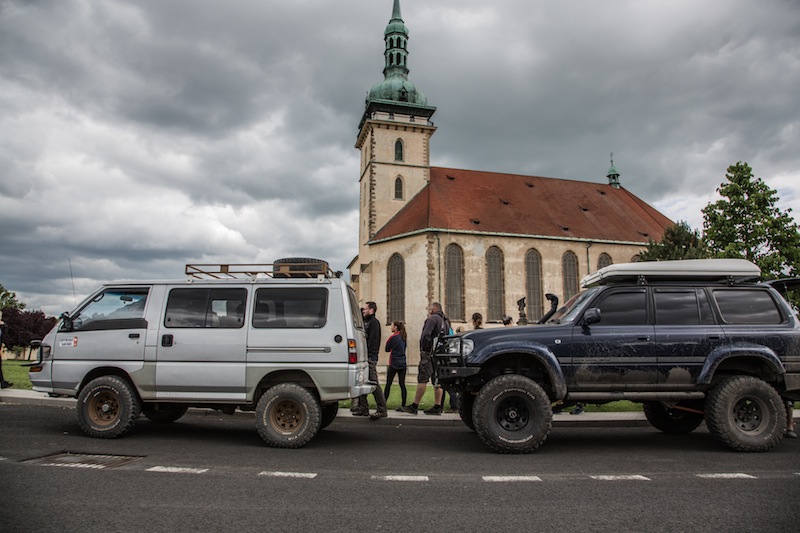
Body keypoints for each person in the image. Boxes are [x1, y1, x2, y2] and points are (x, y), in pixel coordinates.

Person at [399, 302, 450, 415]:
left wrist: (424, 349)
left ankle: (414, 406)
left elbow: (426, 335)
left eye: (429, 308)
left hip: (429, 354)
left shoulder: (432, 319)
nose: (428, 310)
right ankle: (437, 406)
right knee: (437, 381)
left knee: (422, 378)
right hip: (440, 354)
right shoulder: (445, 321)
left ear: (434, 308)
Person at [357, 302, 387, 420]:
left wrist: (368, 356)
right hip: (364, 356)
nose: (363, 311)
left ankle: (382, 409)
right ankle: (363, 408)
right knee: (361, 381)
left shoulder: (374, 323)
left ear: (371, 310)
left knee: (373, 382)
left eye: (365, 309)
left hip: (369, 357)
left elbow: (373, 341)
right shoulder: (366, 322)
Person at [384, 321, 408, 410]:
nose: (391, 327)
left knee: (388, 384)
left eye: (392, 326)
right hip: (402, 363)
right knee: (402, 384)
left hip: (394, 363)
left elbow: (387, 349)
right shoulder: (404, 337)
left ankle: (383, 403)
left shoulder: (393, 337)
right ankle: (403, 404)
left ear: (396, 327)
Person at [0, 312, 12, 389]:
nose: (0, 317)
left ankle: (2, 382)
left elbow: (6, 332)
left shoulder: (1, 327)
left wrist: (3, 325)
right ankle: (2, 382)